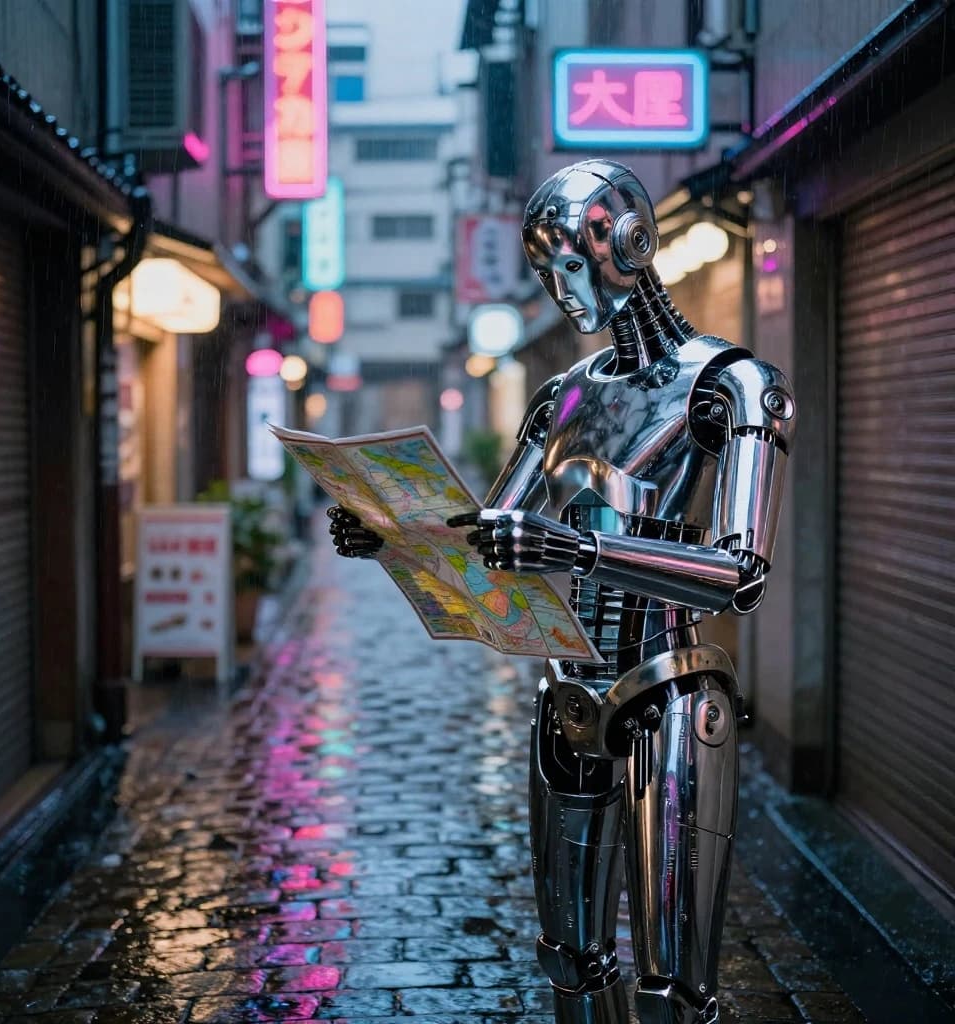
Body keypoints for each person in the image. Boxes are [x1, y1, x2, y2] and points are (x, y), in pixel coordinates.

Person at [328, 160, 795, 1024]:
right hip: (569, 692)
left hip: (672, 686)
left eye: (569, 264)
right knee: (569, 958)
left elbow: (741, 573)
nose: (559, 288)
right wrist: (393, 538)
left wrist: (577, 548)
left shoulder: (730, 385)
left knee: (672, 984)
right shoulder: (563, 395)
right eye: (544, 271)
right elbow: (491, 542)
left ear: (626, 244)